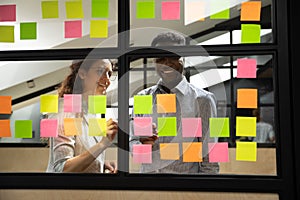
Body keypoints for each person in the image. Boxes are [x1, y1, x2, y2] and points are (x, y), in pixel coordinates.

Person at [129, 31, 219, 174]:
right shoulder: (142, 98)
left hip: (185, 187)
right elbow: (133, 143)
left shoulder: (202, 100)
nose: (167, 63)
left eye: (173, 56)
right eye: (160, 58)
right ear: (154, 61)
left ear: (184, 58)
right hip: (148, 184)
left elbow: (210, 155)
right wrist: (144, 146)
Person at [46, 59, 118, 173]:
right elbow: (62, 169)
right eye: (100, 71)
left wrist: (100, 163)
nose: (107, 80)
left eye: (109, 74)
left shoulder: (91, 111)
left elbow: (83, 153)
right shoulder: (67, 110)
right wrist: (102, 144)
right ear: (82, 73)